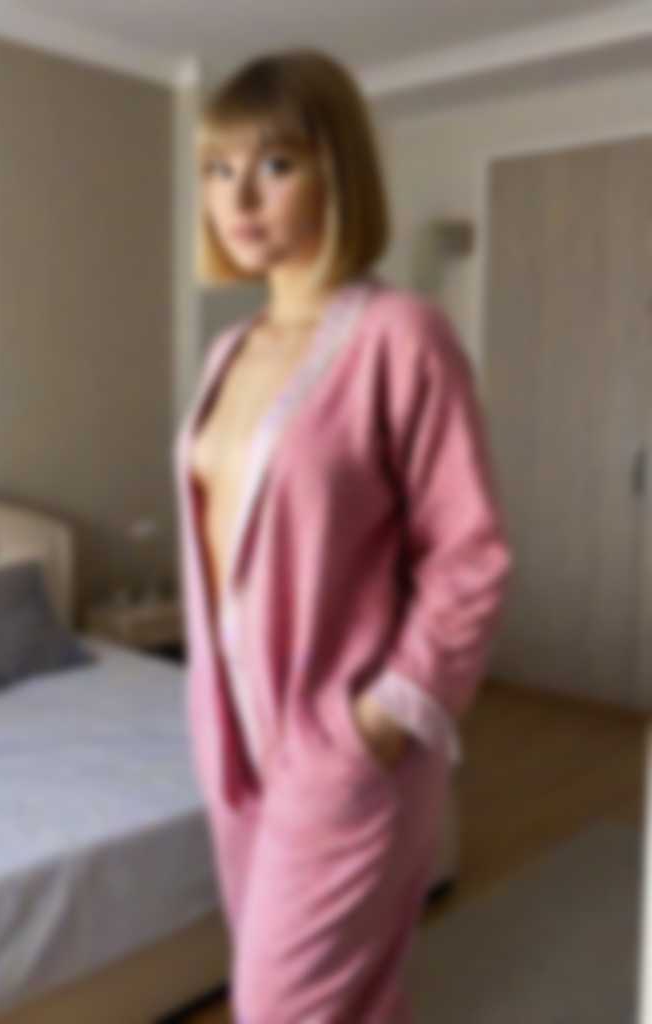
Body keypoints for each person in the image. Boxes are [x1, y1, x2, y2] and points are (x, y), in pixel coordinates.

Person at [172, 47, 514, 1023]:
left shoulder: (402, 336)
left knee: (278, 1006)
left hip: (343, 741)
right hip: (230, 738)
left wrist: (379, 720)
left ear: (338, 170)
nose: (240, 197)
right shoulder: (227, 351)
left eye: (275, 164)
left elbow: (470, 553)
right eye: (218, 168)